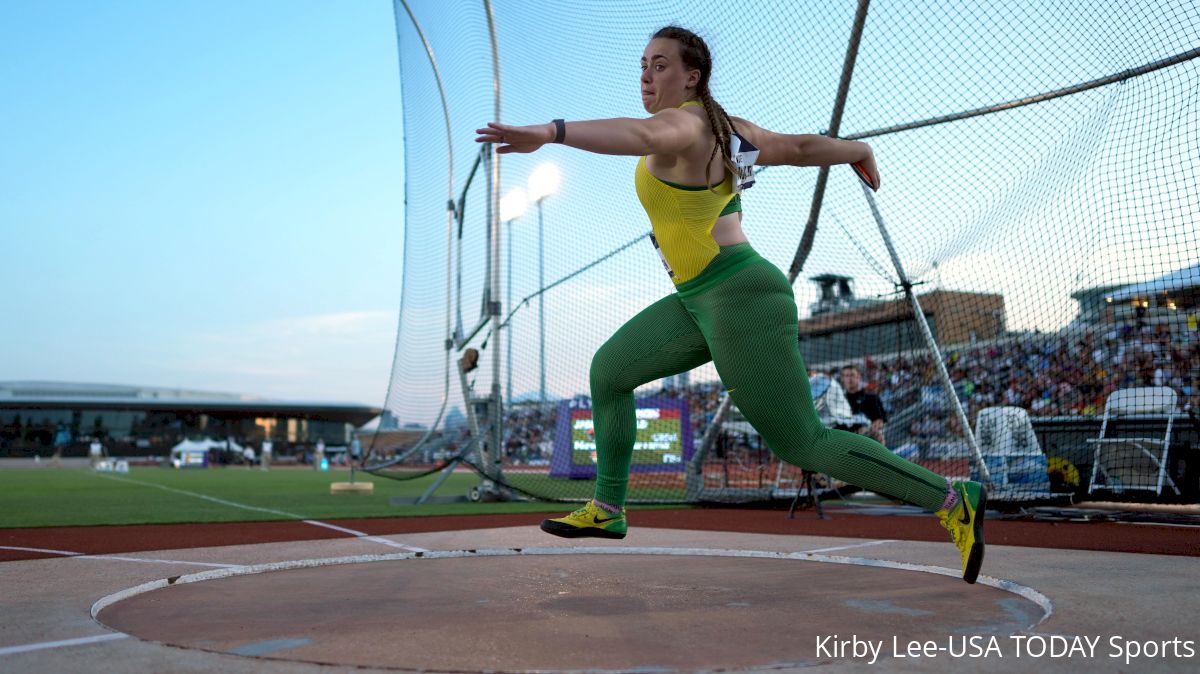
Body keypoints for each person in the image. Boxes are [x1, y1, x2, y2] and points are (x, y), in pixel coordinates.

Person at [476, 26, 985, 583]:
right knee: (611, 372)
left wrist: (550, 133)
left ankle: (951, 498)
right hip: (700, 298)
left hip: (740, 296)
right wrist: (856, 151)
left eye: (661, 65)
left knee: (802, 442)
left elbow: (636, 134)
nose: (647, 76)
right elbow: (797, 148)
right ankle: (609, 508)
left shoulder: (683, 124)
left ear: (691, 77)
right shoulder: (731, 128)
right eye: (643, 65)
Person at [840, 365, 888, 444]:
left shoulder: (872, 398)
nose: (849, 378)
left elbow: (880, 421)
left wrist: (867, 429)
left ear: (859, 377)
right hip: (847, 444)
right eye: (846, 376)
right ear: (842, 379)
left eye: (852, 375)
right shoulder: (840, 401)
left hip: (870, 442)